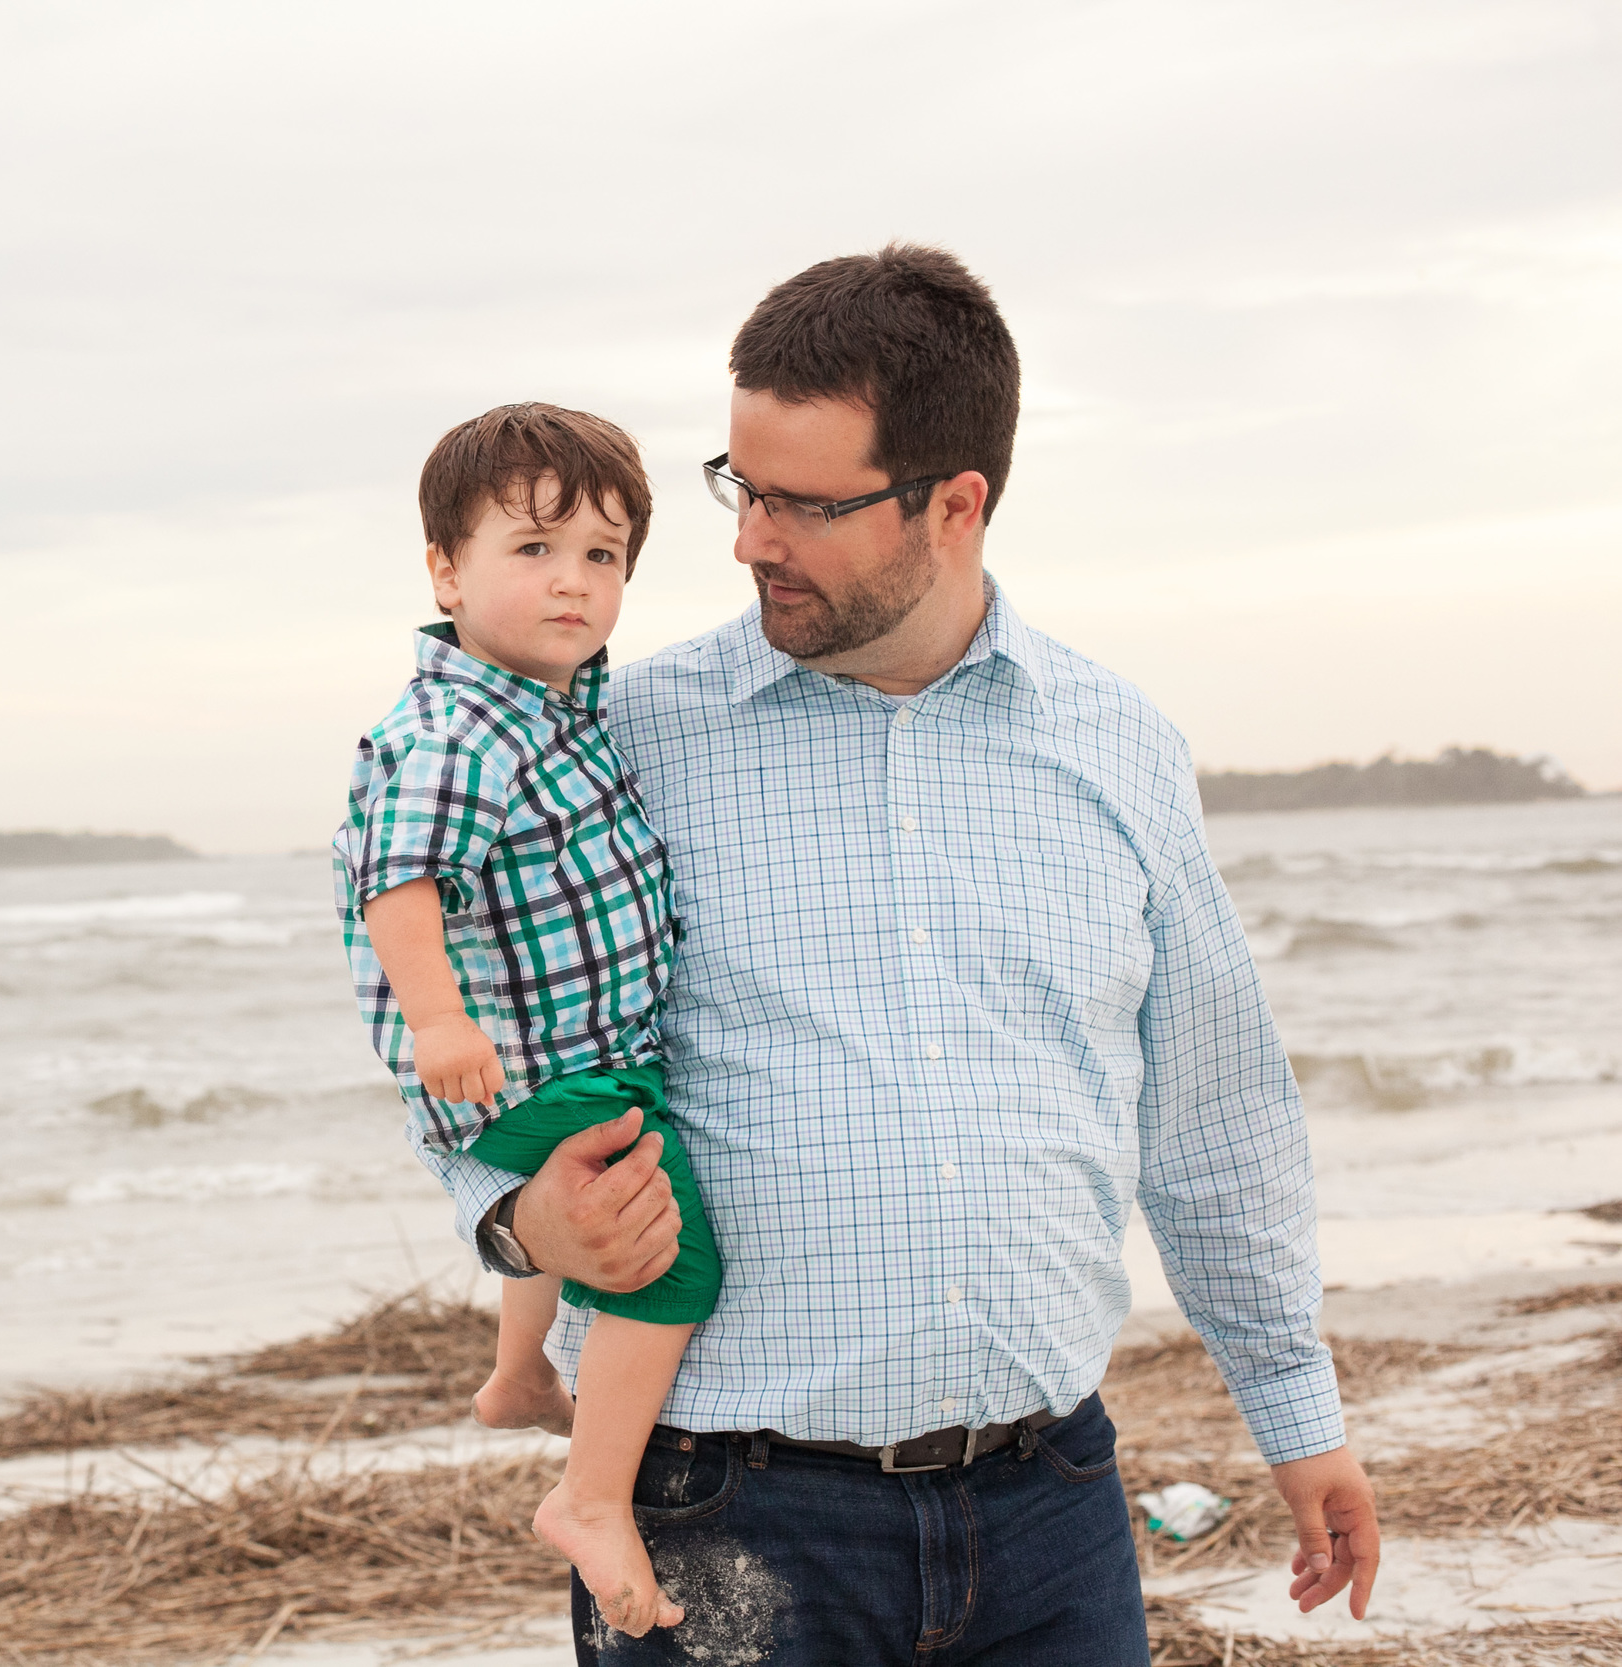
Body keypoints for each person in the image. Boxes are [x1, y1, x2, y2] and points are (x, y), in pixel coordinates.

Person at [418, 247, 1384, 1665]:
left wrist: (1300, 1422)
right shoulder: (612, 740)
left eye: (806, 505)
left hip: (1052, 1503)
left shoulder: (1117, 745)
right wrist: (523, 1222)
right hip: (719, 1511)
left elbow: (1215, 1113)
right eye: (739, 488)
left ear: (955, 501)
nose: (750, 541)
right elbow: (458, 1028)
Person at [332, 403, 722, 1638]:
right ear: (445, 569)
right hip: (518, 1070)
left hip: (571, 1059)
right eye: (534, 549)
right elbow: (400, 880)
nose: (573, 581)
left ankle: (515, 1375)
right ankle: (592, 1497)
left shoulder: (554, 710)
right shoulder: (460, 726)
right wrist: (439, 1021)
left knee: (585, 1191)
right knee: (671, 1260)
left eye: (602, 556)